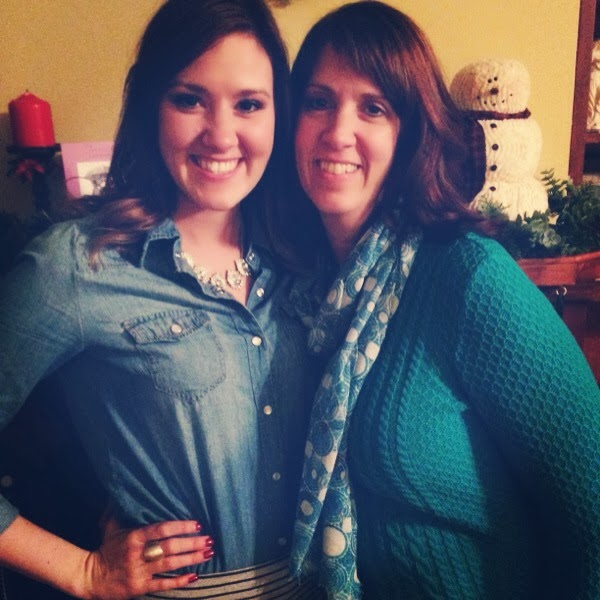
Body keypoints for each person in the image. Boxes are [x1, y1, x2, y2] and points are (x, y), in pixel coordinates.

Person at [0, 0, 323, 598]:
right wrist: (82, 571)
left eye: (249, 104)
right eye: (190, 99)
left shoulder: (305, 253)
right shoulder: (77, 264)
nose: (221, 134)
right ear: (152, 104)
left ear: (279, 113)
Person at [286, 2, 600, 599]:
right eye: (318, 101)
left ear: (409, 133)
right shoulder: (293, 286)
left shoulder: (468, 276)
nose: (338, 131)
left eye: (373, 108)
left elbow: (593, 509)